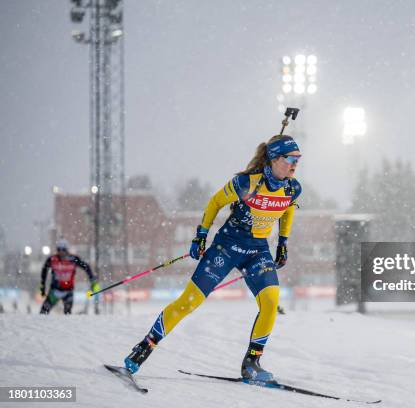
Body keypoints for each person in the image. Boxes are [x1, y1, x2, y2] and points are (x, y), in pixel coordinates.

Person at [123, 134, 302, 382]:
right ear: (273, 158)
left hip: (257, 251)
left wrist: (283, 242)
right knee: (189, 302)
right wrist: (201, 235)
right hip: (226, 248)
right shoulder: (246, 183)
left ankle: (252, 363)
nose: (295, 164)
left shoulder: (293, 187)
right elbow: (216, 201)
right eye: (290, 158)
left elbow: (288, 208)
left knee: (271, 302)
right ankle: (144, 347)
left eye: (298, 159)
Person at [40, 239, 100, 315]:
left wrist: (92, 280)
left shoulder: (73, 259)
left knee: (67, 314)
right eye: (59, 249)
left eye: (63, 249)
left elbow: (86, 267)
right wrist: (43, 286)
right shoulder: (52, 259)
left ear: (67, 250)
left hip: (68, 291)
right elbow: (44, 271)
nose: (61, 252)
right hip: (55, 291)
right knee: (43, 312)